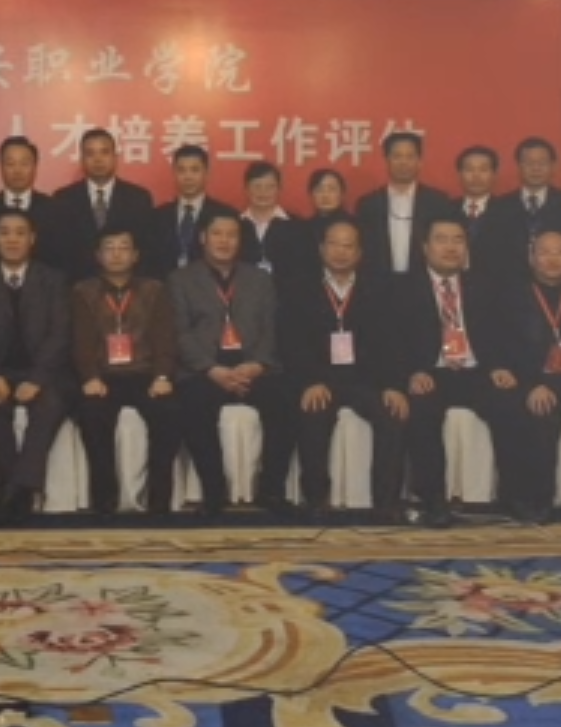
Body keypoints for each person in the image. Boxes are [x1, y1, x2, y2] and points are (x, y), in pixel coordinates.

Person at [276, 218, 416, 520]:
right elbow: (291, 342)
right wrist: (310, 381)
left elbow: (393, 341)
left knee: (393, 413)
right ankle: (316, 500)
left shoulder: (380, 289)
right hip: (320, 378)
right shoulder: (299, 288)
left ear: (359, 253)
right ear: (322, 249)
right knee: (312, 411)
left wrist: (393, 385)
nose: (340, 252)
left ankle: (386, 502)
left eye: (348, 246)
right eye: (334, 244)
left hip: (366, 380)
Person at [0, 205, 73, 520]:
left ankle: (13, 489)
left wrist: (36, 379)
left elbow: (60, 335)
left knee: (50, 405)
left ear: (32, 239)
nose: (12, 239)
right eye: (4, 233)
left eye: (20, 233)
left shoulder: (54, 280)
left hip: (43, 373)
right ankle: (18, 487)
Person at [170, 209, 283, 517]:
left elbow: (271, 329)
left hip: (252, 367)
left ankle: (272, 491)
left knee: (283, 402)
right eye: (217, 234)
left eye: (231, 235)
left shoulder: (259, 279)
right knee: (193, 405)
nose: (224, 241)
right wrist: (212, 369)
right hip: (205, 369)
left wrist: (257, 365)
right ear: (203, 238)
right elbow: (180, 333)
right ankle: (214, 492)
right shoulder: (181, 280)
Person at [480, 227, 561, 522]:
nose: (553, 259)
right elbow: (502, 345)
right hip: (525, 379)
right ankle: (532, 500)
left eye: (560, 252)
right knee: (542, 412)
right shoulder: (510, 294)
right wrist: (532, 384)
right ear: (531, 258)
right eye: (544, 252)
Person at [396, 219, 503, 528]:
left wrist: (499, 366)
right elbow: (391, 340)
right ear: (425, 247)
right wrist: (411, 373)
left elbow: (504, 334)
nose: (450, 247)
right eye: (441, 239)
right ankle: (433, 501)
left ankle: (517, 498)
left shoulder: (485, 285)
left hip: (476, 371)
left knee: (511, 404)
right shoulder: (402, 288)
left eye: (458, 240)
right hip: (431, 372)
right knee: (421, 409)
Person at [66, 228, 180, 517]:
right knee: (92, 414)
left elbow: (165, 338)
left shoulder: (154, 290)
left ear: (135, 255)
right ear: (98, 255)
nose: (116, 254)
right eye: (109, 247)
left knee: (168, 413)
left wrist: (163, 376)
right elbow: (81, 341)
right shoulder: (83, 291)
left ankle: (159, 500)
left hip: (145, 374)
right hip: (104, 376)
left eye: (124, 247)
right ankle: (104, 499)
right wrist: (90, 377)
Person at [480, 136, 561, 285]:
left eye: (542, 163)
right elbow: (489, 256)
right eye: (529, 163)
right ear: (519, 166)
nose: (536, 168)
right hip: (508, 289)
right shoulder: (498, 208)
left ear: (553, 166)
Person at [62, 127, 156, 266]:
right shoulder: (64, 199)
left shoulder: (138, 198)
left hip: (127, 278)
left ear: (115, 157)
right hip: (77, 277)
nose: (98, 160)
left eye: (105, 152)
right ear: (82, 159)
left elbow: (146, 247)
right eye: (90, 153)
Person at [0, 135, 57, 267]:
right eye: (10, 164)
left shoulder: (55, 210)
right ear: (0, 167)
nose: (17, 171)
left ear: (35, 167)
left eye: (24, 164)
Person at [355, 129, 438, 275]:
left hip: (424, 281)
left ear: (419, 161)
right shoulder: (367, 204)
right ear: (386, 160)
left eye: (410, 156)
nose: (403, 162)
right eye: (397, 156)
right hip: (379, 281)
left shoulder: (437, 202)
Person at [148, 142, 232, 274]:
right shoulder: (157, 217)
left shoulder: (225, 215)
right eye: (181, 170)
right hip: (165, 285)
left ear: (206, 173)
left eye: (195, 170)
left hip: (209, 285)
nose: (188, 177)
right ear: (174, 173)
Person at [234, 159, 299, 273]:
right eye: (257, 186)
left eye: (270, 187)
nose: (263, 192)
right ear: (246, 189)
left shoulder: (297, 226)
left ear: (279, 189)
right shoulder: (235, 225)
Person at [445, 144, 505, 264]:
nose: (476, 176)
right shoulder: (445, 209)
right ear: (459, 174)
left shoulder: (506, 211)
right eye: (469, 169)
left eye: (483, 170)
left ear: (494, 174)